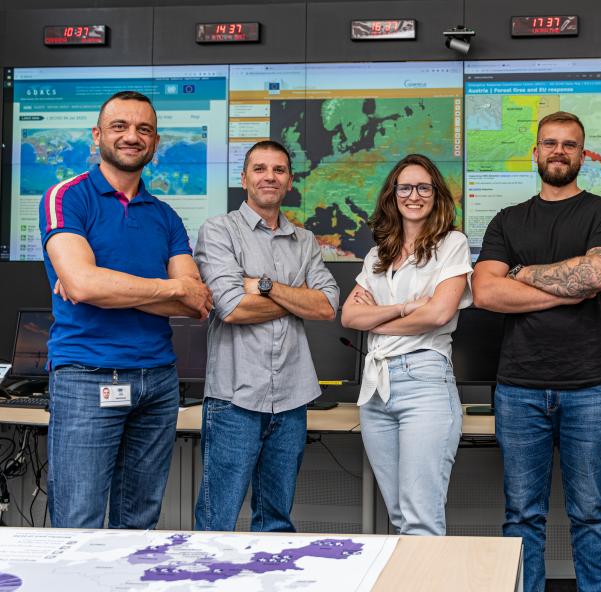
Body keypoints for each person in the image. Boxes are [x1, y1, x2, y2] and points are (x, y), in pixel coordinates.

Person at [472, 111, 601, 592]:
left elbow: (595, 275)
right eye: (550, 143)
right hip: (518, 389)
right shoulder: (507, 220)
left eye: (569, 144)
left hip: (589, 387)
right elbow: (485, 292)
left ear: (583, 155)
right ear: (535, 152)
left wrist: (520, 274)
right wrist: (569, 289)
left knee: (591, 513)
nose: (559, 151)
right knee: (522, 515)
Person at [40, 90, 213, 528]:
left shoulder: (165, 216)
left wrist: (104, 285)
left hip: (158, 381)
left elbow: (194, 302)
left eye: (144, 129)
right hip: (87, 376)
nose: (132, 136)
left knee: (139, 526)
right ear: (97, 135)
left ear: (155, 142)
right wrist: (167, 287)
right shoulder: (67, 197)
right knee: (78, 523)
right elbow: (84, 284)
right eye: (119, 126)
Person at [192, 140, 339, 532]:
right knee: (216, 521)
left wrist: (265, 286)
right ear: (244, 179)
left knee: (275, 523)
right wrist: (298, 297)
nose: (269, 177)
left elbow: (327, 306)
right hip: (234, 400)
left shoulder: (305, 241)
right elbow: (232, 308)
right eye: (259, 169)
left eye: (279, 170)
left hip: (292, 399)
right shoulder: (219, 231)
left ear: (289, 181)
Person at [340, 154, 471, 535]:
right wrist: (403, 308)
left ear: (436, 194)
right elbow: (349, 317)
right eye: (405, 188)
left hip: (424, 380)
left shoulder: (452, 244)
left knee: (420, 521)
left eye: (424, 187)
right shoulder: (377, 255)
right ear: (392, 195)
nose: (414, 195)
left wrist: (377, 319)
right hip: (376, 390)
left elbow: (438, 314)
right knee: (398, 518)